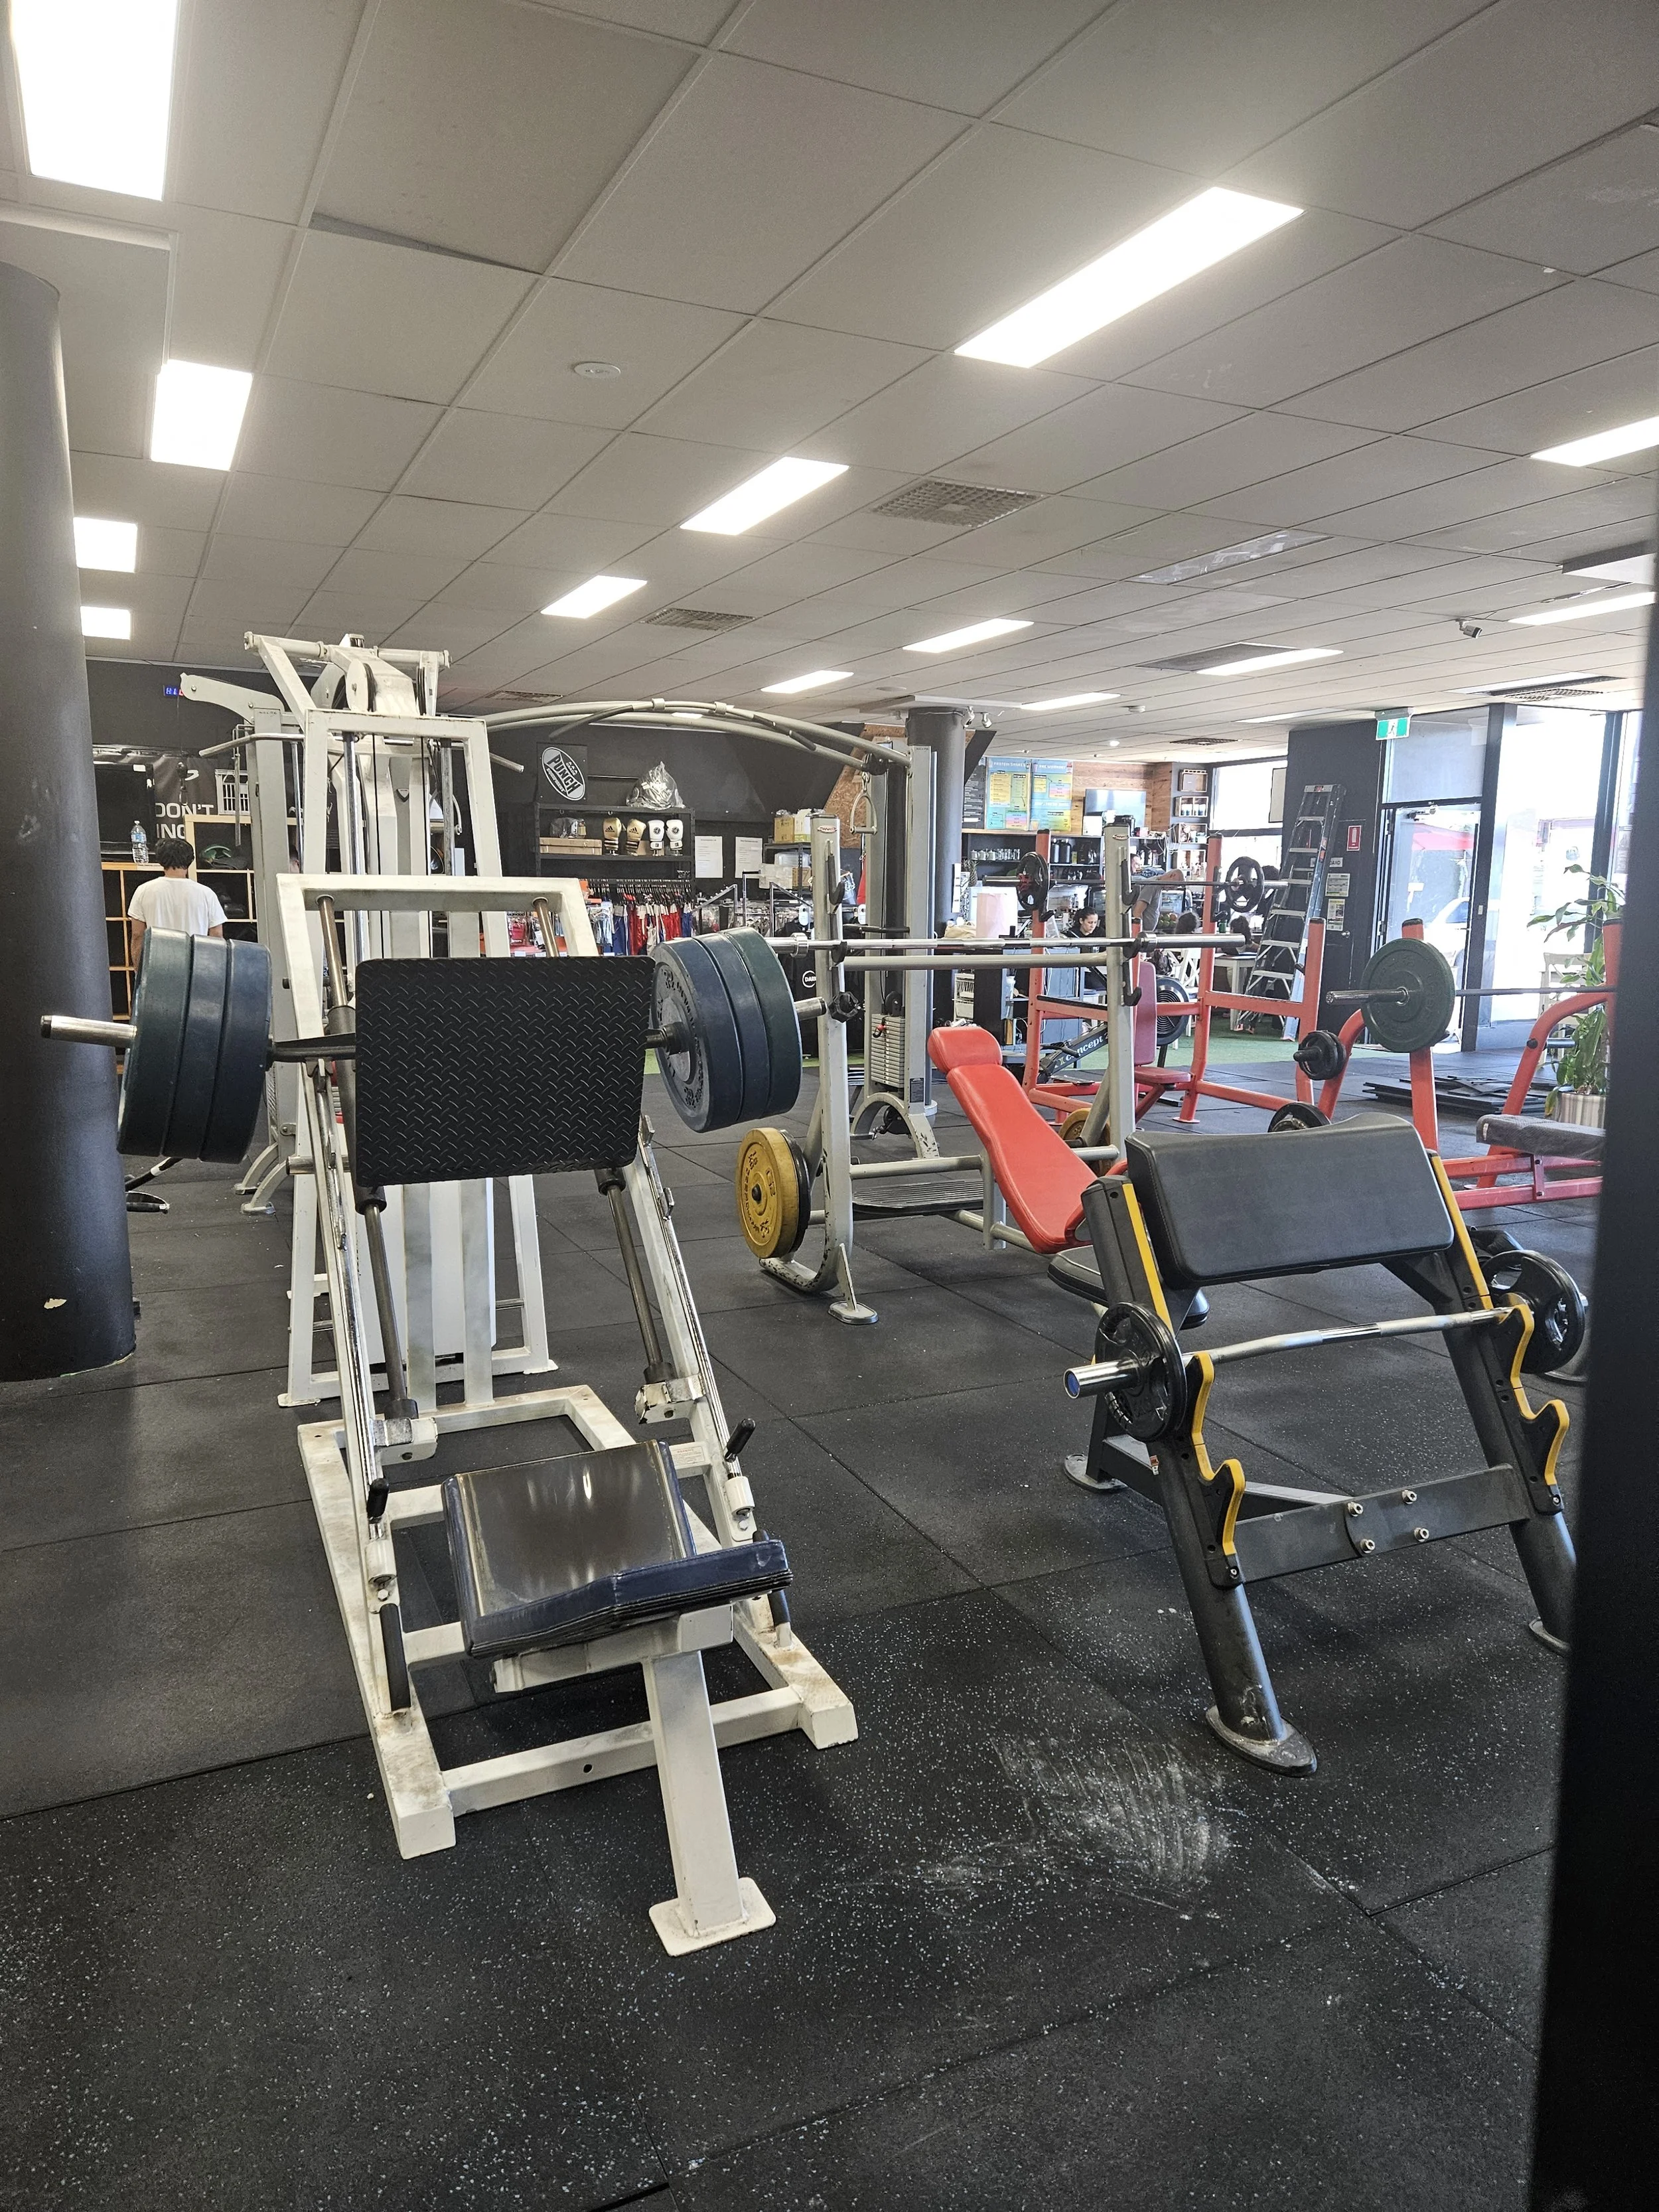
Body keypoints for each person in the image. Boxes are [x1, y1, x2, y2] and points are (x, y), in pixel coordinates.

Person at [127, 836, 226, 966]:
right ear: (190, 860)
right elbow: (217, 935)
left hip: (158, 966)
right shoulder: (206, 894)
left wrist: (139, 971)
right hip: (195, 966)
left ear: (160, 860)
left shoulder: (143, 891)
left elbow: (137, 935)